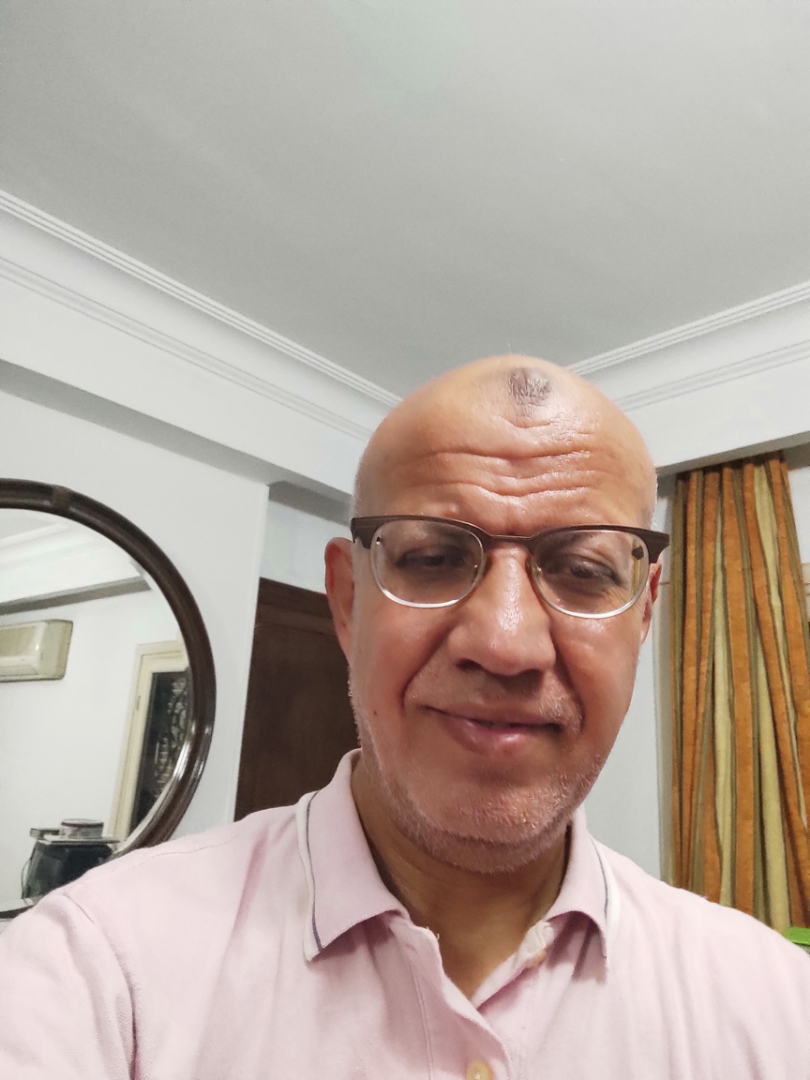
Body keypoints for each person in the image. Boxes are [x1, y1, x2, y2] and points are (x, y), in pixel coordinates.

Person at [1, 355, 808, 1079]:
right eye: (432, 558)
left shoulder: (774, 1005)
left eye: (582, 570)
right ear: (347, 601)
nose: (505, 643)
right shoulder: (98, 972)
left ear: (644, 614)